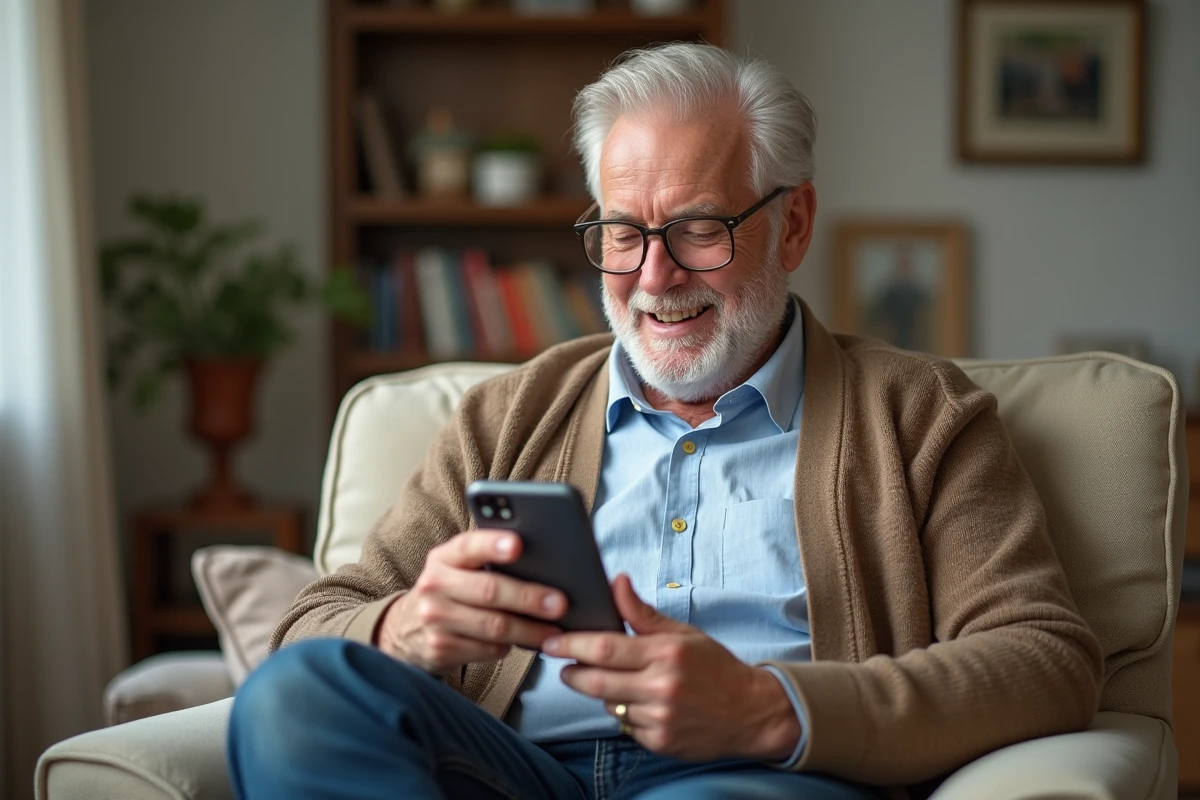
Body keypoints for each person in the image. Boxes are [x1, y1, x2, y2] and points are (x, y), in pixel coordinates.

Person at [226, 43, 1102, 800]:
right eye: (622, 233)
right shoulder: (510, 412)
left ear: (792, 225)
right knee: (301, 693)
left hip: (755, 775)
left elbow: (1045, 659)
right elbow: (311, 624)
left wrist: (771, 707)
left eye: (697, 229)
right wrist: (405, 626)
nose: (653, 277)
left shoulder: (919, 416)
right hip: (510, 769)